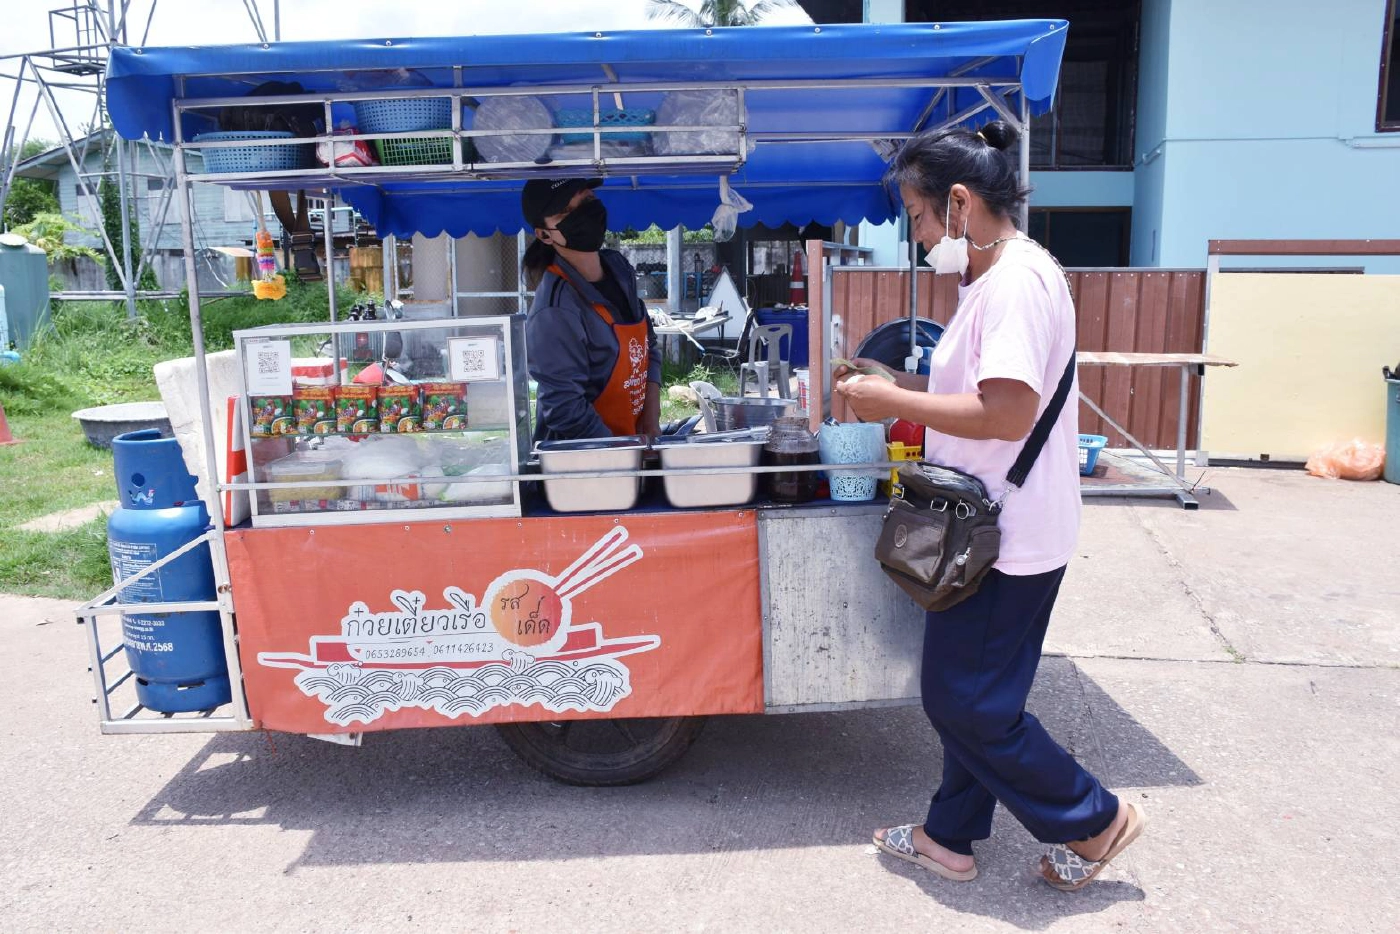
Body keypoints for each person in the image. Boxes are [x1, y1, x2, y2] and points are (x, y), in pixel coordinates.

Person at [835, 121, 1145, 891]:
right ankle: (949, 835)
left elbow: (1006, 413)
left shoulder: (1012, 282)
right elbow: (977, 397)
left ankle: (1095, 819)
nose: (917, 235)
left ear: (962, 204)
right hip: (992, 524)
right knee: (977, 696)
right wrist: (894, 387)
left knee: (964, 702)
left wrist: (892, 401)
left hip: (1007, 534)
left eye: (918, 216)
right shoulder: (1001, 277)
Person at [520, 177, 662, 442]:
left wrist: (650, 419)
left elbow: (647, 346)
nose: (584, 214)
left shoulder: (619, 270)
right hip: (584, 464)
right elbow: (564, 407)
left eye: (587, 201)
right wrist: (618, 458)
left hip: (630, 446)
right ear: (544, 234)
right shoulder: (556, 308)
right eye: (567, 211)